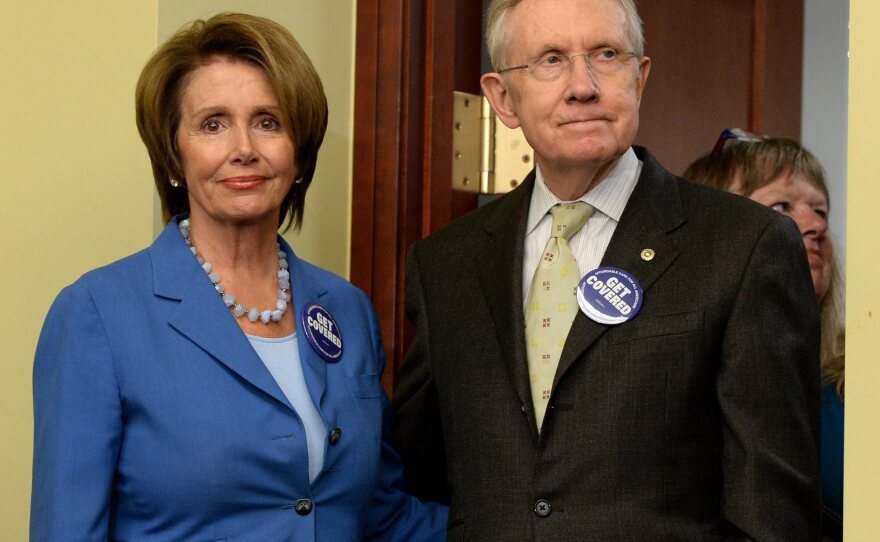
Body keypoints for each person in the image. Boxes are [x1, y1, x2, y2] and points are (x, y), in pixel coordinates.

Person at [392, 0, 822, 539]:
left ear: (639, 79)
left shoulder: (745, 246)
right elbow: (422, 480)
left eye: (606, 54)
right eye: (550, 60)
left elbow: (773, 513)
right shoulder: (444, 266)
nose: (583, 85)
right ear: (503, 98)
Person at [30, 13, 446, 542]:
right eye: (213, 124)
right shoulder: (97, 314)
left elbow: (381, 516)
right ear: (173, 153)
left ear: (298, 154)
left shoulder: (346, 308)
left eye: (269, 121)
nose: (243, 147)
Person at [685, 134, 845, 541]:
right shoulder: (661, 380)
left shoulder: (856, 383)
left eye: (820, 209)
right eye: (782, 207)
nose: (817, 225)